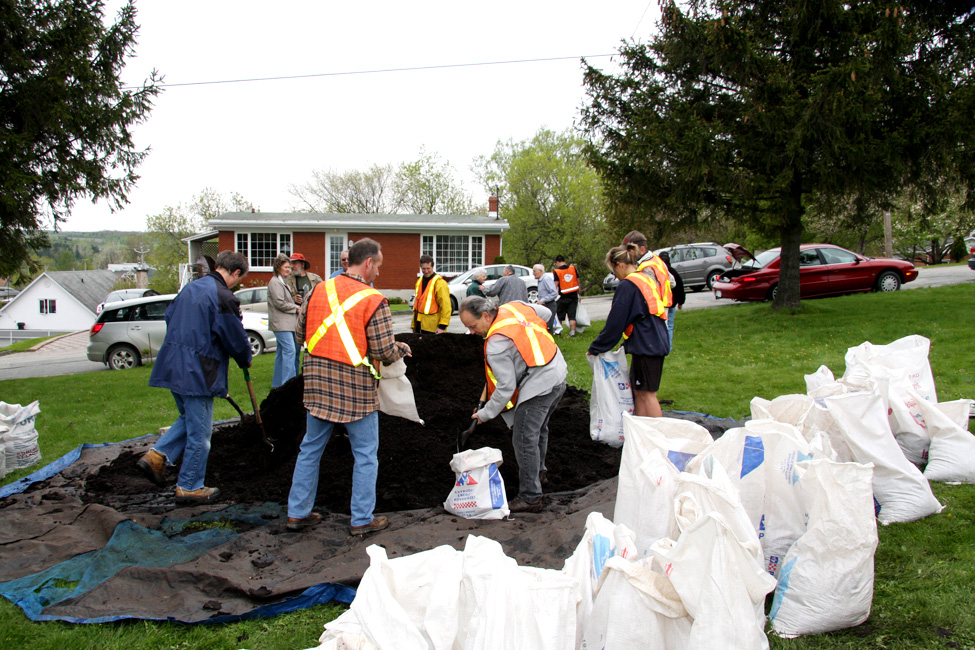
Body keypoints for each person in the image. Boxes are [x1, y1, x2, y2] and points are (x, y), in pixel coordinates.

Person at [287, 238, 412, 535]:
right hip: (355, 391)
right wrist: (402, 349)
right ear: (368, 262)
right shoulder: (374, 299)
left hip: (317, 386)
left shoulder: (319, 289)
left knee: (309, 449)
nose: (379, 273)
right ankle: (361, 519)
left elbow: (300, 333)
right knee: (366, 454)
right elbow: (383, 351)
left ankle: (297, 513)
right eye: (378, 266)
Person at [137, 251, 253, 503]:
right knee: (201, 436)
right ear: (234, 273)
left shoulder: (189, 290)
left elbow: (171, 318)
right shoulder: (223, 297)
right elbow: (233, 336)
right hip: (198, 371)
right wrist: (245, 358)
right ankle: (189, 486)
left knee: (189, 419)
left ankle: (157, 457)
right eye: (239, 279)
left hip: (172, 364)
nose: (237, 284)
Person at [460, 295, 568, 513]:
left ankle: (530, 496)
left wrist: (485, 414)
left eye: (472, 326)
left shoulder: (495, 345)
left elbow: (506, 389)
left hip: (540, 385)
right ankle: (539, 474)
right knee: (539, 429)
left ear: (485, 315)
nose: (471, 332)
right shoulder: (514, 308)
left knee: (523, 437)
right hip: (557, 372)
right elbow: (545, 314)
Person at [588, 243, 672, 418]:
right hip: (652, 340)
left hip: (647, 344)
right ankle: (639, 434)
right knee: (639, 391)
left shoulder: (628, 286)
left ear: (619, 265)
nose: (615, 276)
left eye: (613, 272)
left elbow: (615, 323)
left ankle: (658, 437)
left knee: (648, 394)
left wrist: (597, 347)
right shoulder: (645, 279)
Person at [286, 252, 323, 376]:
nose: (292, 266)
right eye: (291, 263)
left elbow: (323, 295)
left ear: (302, 264)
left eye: (295, 263)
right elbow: (284, 300)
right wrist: (293, 299)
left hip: (313, 319)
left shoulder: (315, 278)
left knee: (313, 349)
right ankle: (295, 376)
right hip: (296, 320)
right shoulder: (288, 281)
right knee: (295, 350)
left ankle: (310, 374)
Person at [267, 253, 299, 388]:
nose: (288, 270)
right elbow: (279, 303)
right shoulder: (275, 282)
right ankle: (288, 384)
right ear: (278, 267)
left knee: (281, 353)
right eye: (286, 267)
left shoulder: (281, 282)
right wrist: (296, 308)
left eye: (289, 267)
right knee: (290, 351)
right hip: (281, 325)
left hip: (286, 324)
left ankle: (277, 385)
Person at [411, 254, 451, 334]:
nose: (426, 271)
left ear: (433, 267)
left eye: (428, 268)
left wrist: (442, 326)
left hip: (433, 327)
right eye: (423, 269)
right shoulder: (420, 281)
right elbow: (418, 305)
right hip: (419, 324)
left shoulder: (440, 283)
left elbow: (446, 306)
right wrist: (414, 325)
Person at [657, 250, 685, 349]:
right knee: (670, 325)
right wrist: (680, 301)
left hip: (662, 302)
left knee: (661, 324)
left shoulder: (658, 271)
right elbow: (680, 287)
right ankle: (668, 345)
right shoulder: (673, 272)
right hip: (671, 302)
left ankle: (662, 345)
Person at [553, 255, 581, 337]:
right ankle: (573, 332)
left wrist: (553, 295)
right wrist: (579, 293)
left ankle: (558, 331)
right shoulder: (572, 268)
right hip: (573, 295)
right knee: (572, 315)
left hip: (563, 297)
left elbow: (555, 285)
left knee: (560, 315)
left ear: (557, 262)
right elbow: (578, 281)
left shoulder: (557, 271)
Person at [533, 263, 558, 333]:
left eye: (534, 271)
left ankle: (550, 342)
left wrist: (542, 300)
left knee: (548, 326)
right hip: (544, 305)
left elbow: (554, 293)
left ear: (540, 271)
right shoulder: (540, 280)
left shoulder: (546, 279)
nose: (533, 273)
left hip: (549, 305)